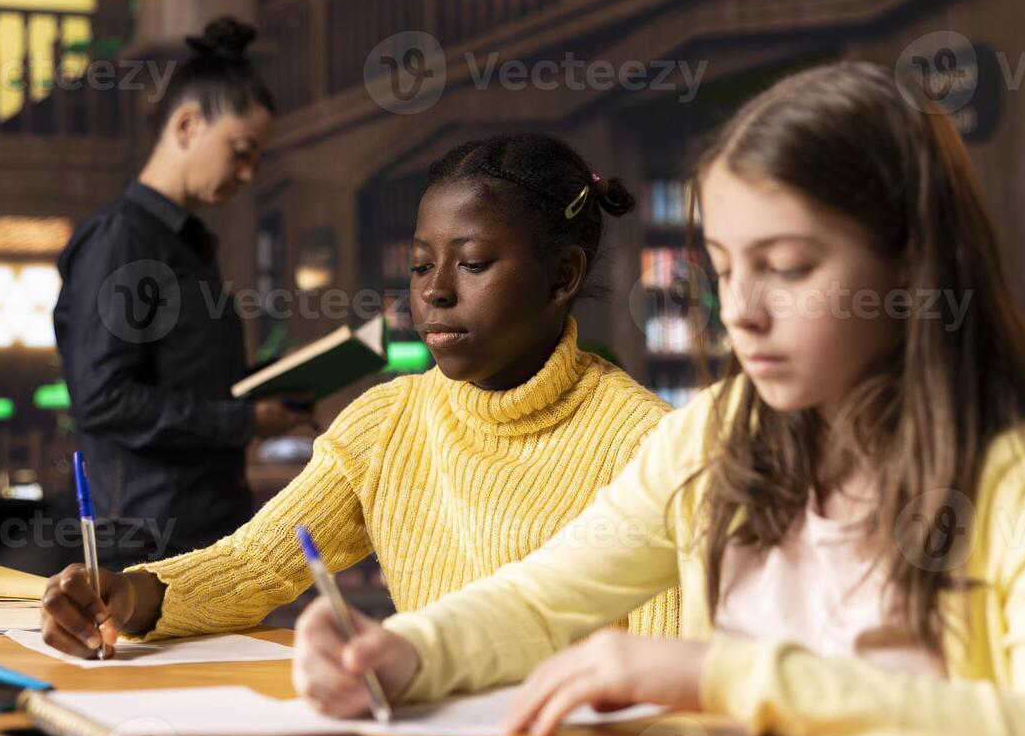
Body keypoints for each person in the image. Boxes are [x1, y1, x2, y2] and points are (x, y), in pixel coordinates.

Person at [293, 63, 1025, 736]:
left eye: (788, 266)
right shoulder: (717, 435)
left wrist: (721, 677)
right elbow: (543, 600)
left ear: (910, 269)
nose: (740, 310)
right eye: (726, 267)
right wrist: (406, 651)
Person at [40, 132, 682, 655]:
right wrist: (127, 595)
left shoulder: (646, 448)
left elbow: (667, 679)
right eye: (421, 264)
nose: (435, 291)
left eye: (474, 262)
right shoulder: (388, 421)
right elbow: (257, 565)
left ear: (561, 276)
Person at [53, 17, 314, 565]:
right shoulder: (122, 238)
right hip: (145, 540)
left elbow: (189, 385)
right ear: (188, 125)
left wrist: (270, 389)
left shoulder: (190, 241)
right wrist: (246, 421)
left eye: (257, 159)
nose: (248, 174)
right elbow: (102, 398)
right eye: (241, 152)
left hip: (205, 527)